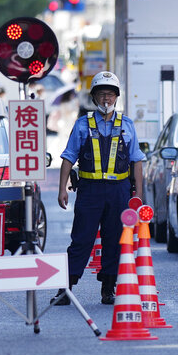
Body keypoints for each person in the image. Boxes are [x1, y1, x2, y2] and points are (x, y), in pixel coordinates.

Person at [54, 71, 145, 305]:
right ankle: (66, 287)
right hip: (90, 191)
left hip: (119, 191)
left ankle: (108, 288)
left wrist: (139, 198)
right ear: (94, 98)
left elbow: (136, 161)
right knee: (81, 239)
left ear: (116, 98)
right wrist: (62, 188)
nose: (106, 99)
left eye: (111, 95)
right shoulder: (83, 124)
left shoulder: (127, 125)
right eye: (102, 94)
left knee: (115, 240)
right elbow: (68, 157)